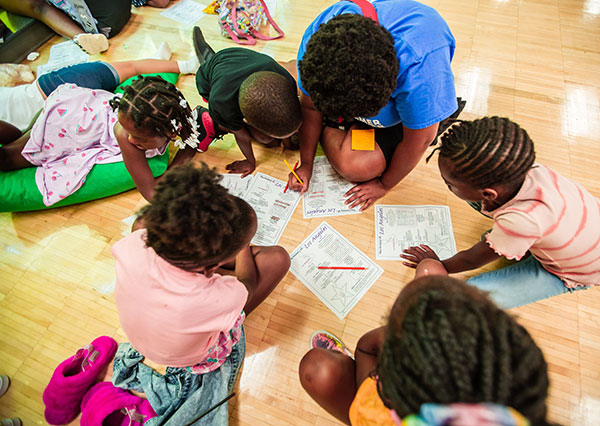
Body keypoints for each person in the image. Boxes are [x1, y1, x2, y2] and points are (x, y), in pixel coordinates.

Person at [111, 163, 290, 424]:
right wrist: (242, 247)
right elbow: (247, 285)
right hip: (193, 357)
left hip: (143, 339)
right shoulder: (214, 298)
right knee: (278, 259)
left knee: (140, 224)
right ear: (213, 264)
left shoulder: (133, 243)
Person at [298, 259, 553, 425]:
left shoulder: (375, 412)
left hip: (371, 410)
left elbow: (367, 345)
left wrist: (399, 333)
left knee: (318, 368)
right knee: (429, 270)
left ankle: (353, 370)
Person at [401, 117, 600, 308]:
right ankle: (514, 243)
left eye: (449, 184)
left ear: (489, 193)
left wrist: (440, 264)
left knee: (464, 302)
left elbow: (472, 259)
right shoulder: (530, 169)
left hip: (574, 271)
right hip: (582, 226)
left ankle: (514, 246)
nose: (447, 187)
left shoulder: (521, 221)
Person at [287, 0, 463, 210]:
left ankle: (428, 116)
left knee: (356, 167)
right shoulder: (318, 42)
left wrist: (383, 184)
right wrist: (306, 163)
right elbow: (310, 106)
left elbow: (421, 140)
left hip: (405, 98)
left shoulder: (421, 66)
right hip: (357, 88)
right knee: (296, 86)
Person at [0, 72, 200, 205]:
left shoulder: (174, 112)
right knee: (7, 159)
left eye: (138, 138)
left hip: (78, 106)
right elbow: (153, 194)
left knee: (20, 137)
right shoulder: (124, 134)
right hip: (66, 122)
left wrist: (193, 140)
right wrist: (186, 155)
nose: (131, 140)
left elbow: (195, 130)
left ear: (171, 131)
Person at [0, 45, 198, 131]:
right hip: (52, 88)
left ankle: (162, 62)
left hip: (55, 105)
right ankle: (186, 65)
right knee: (132, 67)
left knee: (123, 92)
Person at [190, 44, 302, 177]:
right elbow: (241, 136)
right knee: (265, 140)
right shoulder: (221, 102)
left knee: (270, 140)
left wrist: (287, 143)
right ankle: (210, 117)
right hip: (212, 79)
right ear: (247, 121)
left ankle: (212, 58)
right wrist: (250, 162)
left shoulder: (287, 81)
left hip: (242, 61)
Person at [0, 0, 131, 54]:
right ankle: (84, 37)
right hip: (120, 8)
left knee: (39, 8)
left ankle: (80, 36)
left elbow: (40, 8)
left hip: (100, 24)